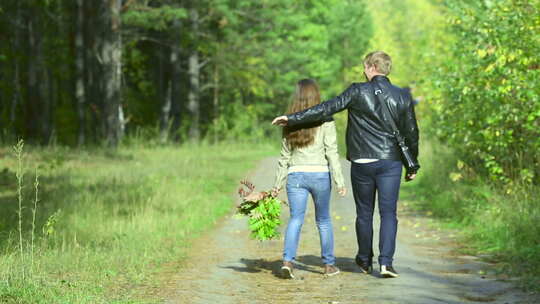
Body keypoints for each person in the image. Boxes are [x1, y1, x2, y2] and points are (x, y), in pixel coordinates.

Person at [272, 51, 419, 278]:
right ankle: (386, 263)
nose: (363, 71)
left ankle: (364, 259)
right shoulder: (402, 95)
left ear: (371, 67)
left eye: (364, 67)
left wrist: (293, 118)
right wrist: (412, 165)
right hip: (390, 161)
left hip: (362, 161)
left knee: (364, 213)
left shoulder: (357, 91)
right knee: (389, 213)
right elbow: (411, 132)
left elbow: (326, 108)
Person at [272, 79, 346, 279]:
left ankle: (287, 262)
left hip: (296, 175)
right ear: (316, 96)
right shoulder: (326, 120)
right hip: (320, 175)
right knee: (323, 220)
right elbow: (332, 151)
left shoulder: (289, 121)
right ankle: (329, 266)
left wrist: (277, 184)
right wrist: (340, 180)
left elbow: (284, 156)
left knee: (295, 219)